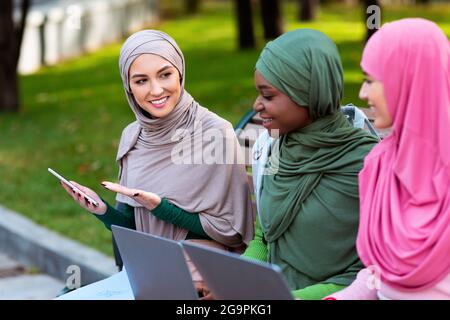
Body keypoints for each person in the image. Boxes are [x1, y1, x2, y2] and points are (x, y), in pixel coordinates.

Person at [59, 30, 255, 292]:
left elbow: (231, 232)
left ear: (180, 73)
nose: (156, 90)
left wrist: (160, 207)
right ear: (128, 86)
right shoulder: (133, 136)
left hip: (203, 269)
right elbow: (134, 227)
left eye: (165, 74)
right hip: (150, 264)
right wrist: (102, 211)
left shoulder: (215, 133)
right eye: (141, 80)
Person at [240, 29, 379, 300]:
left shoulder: (366, 165)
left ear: (309, 94)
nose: (257, 105)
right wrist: (236, 279)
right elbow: (264, 238)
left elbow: (370, 272)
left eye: (268, 96)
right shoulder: (275, 148)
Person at [324, 18, 450, 300]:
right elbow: (377, 274)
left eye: (370, 80)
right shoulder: (379, 164)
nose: (362, 93)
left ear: (408, 78)